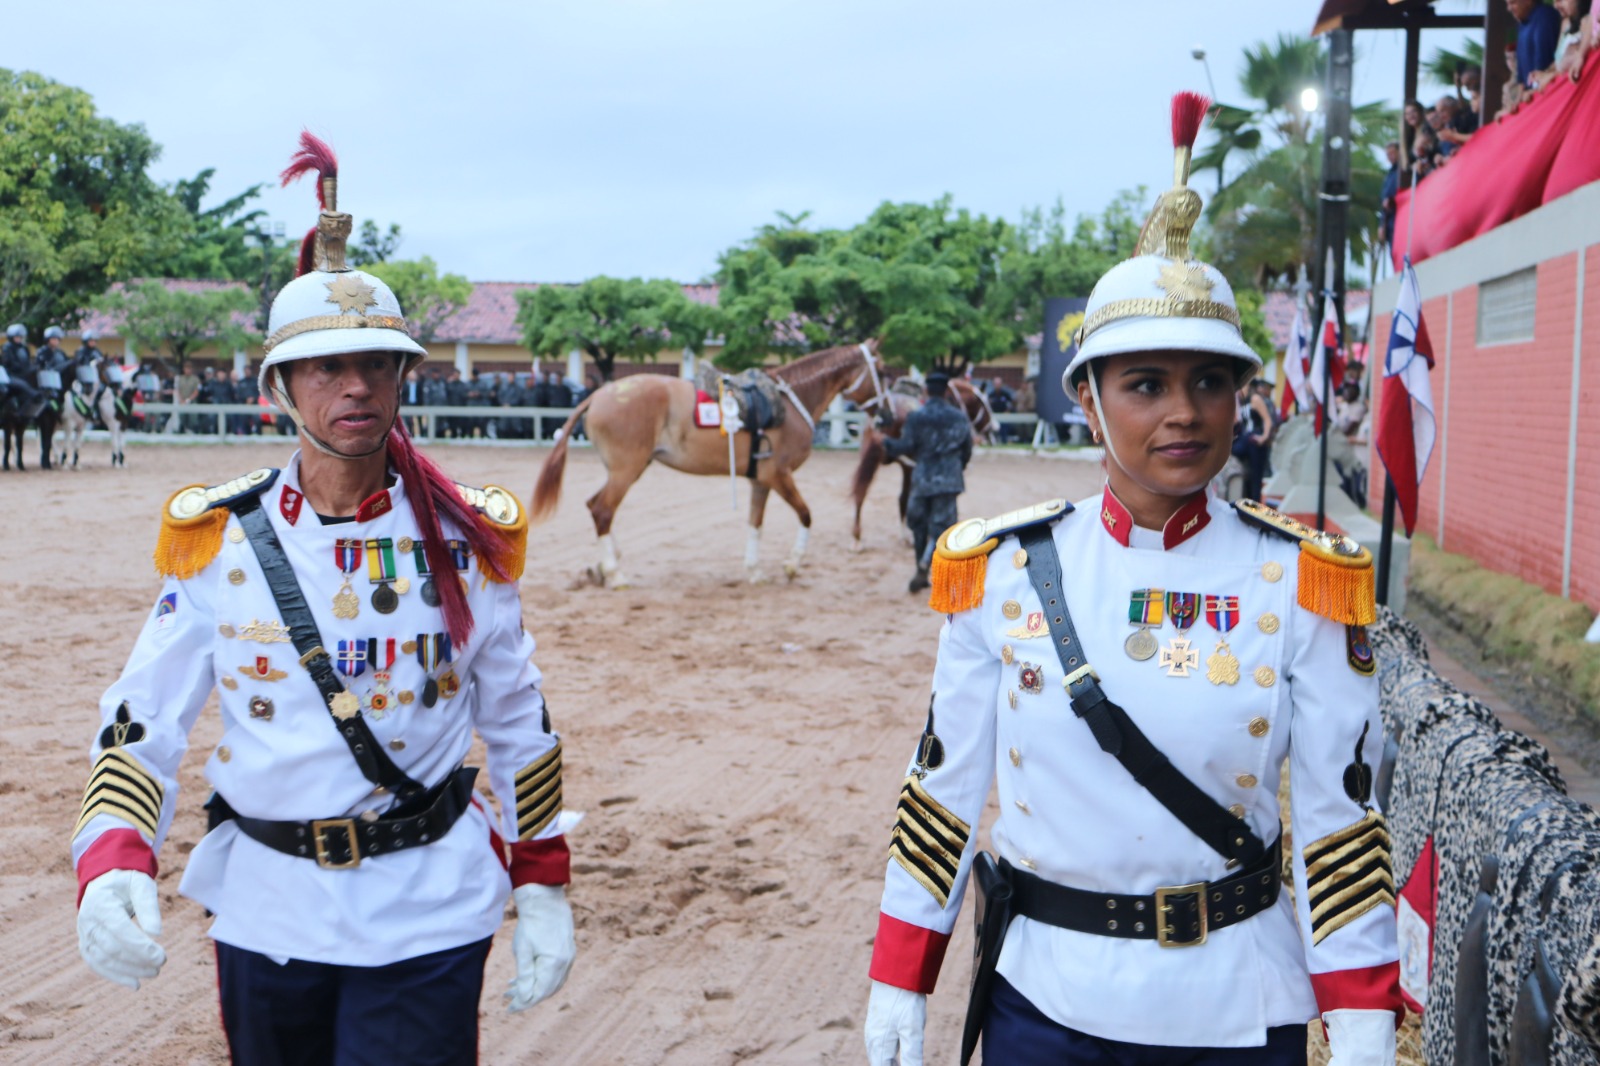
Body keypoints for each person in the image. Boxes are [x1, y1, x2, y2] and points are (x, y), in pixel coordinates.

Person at [863, 94, 1400, 1066]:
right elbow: (942, 791)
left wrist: (1363, 1016)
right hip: (1044, 1004)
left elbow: (1339, 818)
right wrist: (901, 970)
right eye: (1144, 383)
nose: (1184, 413)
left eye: (1209, 382)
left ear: (1243, 395)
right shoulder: (1001, 571)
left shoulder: (1301, 580)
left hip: (1234, 1003)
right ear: (1086, 398)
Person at [70, 133, 577, 1065]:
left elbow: (519, 722)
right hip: (266, 906)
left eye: (379, 364)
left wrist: (542, 880)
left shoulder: (468, 545)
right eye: (326, 366)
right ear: (278, 389)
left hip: (426, 908)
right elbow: (143, 715)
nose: (357, 385)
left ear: (403, 379)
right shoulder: (219, 540)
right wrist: (112, 856)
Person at [880, 372, 973, 594]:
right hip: (949, 479)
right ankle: (926, 567)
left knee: (918, 524)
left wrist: (885, 442)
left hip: (923, 478)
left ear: (926, 391)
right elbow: (967, 450)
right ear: (946, 391)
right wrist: (957, 467)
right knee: (941, 527)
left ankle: (921, 566)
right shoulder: (958, 417)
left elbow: (906, 446)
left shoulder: (916, 417)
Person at [1512, 0, 1563, 90]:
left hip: (1545, 89)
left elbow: (1543, 62)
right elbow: (1520, 73)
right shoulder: (1522, 24)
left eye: (1513, 3)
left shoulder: (1545, 16)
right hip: (1531, 91)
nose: (1509, 8)